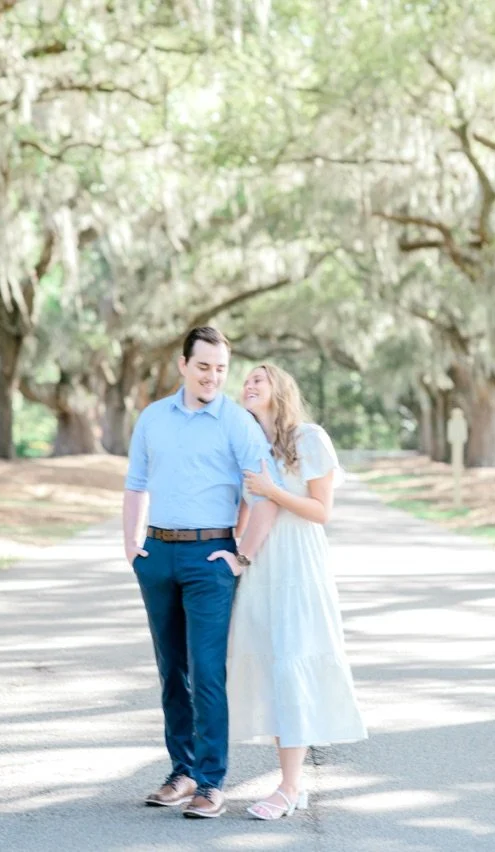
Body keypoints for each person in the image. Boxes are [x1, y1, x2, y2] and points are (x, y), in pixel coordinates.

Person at [123, 326, 281, 819]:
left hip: (211, 556)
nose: (212, 376)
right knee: (173, 671)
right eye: (204, 366)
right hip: (158, 554)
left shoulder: (237, 422)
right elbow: (135, 484)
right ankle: (181, 770)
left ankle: (210, 782)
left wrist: (241, 556)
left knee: (208, 672)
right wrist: (133, 547)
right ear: (183, 365)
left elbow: (265, 499)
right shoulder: (153, 418)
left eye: (221, 369)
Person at [227, 363, 367, 820]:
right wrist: (233, 553)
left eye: (258, 379)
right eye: (245, 380)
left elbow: (321, 510)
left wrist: (272, 490)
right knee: (271, 665)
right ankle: (290, 783)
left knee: (292, 662)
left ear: (280, 389)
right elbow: (245, 508)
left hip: (299, 563)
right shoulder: (248, 443)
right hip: (262, 565)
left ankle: (289, 787)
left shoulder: (309, 438)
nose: (248, 385)